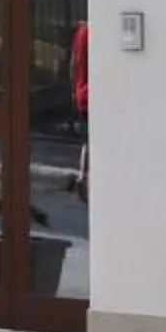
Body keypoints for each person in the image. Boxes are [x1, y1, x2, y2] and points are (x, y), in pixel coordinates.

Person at [71, 19, 91, 201]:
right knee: (91, 140)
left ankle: (82, 175)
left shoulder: (81, 32)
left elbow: (73, 65)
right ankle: (84, 177)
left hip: (82, 93)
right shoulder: (91, 33)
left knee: (88, 140)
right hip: (90, 93)